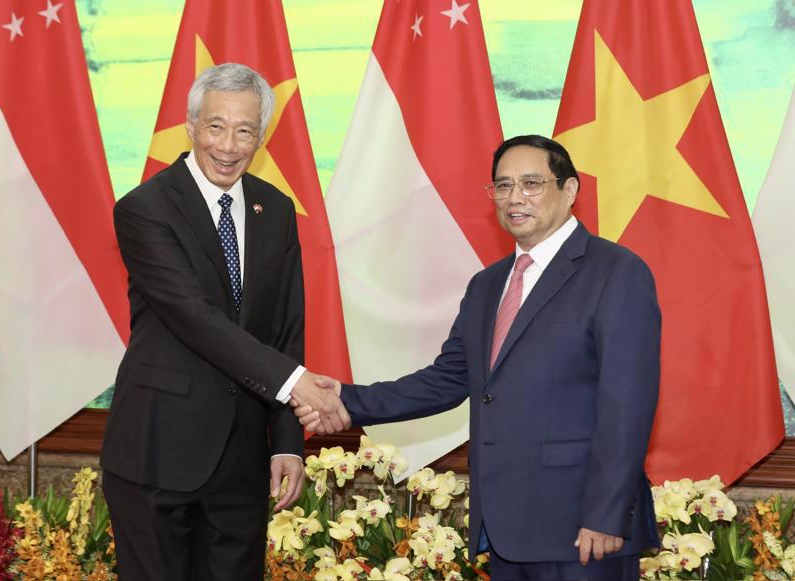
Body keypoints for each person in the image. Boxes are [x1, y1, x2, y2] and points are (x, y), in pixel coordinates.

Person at [293, 135, 661, 580]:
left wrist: (606, 514)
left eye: (531, 183)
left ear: (570, 190)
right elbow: (448, 379)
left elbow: (627, 406)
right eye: (502, 186)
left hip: (582, 528)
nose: (514, 197)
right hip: (505, 527)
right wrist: (347, 401)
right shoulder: (488, 285)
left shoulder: (617, 273)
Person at [100, 63, 348, 581]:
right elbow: (194, 317)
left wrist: (285, 440)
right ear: (191, 126)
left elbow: (284, 328)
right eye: (216, 126)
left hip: (242, 458)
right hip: (158, 450)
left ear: (262, 135)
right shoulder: (145, 209)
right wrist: (298, 385)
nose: (229, 146)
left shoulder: (274, 208)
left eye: (245, 131)